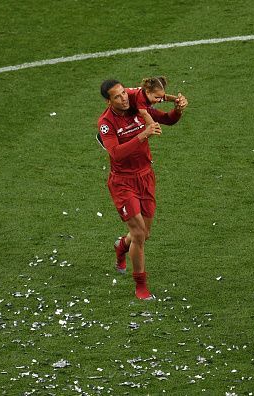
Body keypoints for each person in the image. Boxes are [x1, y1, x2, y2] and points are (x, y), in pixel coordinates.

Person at [97, 79, 188, 300]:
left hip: (146, 176)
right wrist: (143, 134)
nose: (124, 98)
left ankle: (122, 246)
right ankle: (141, 286)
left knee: (144, 234)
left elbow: (167, 120)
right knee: (138, 233)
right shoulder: (106, 122)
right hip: (123, 182)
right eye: (117, 96)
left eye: (124, 93)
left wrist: (177, 110)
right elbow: (116, 153)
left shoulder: (138, 106)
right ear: (109, 101)